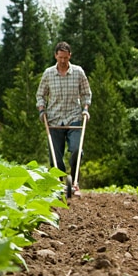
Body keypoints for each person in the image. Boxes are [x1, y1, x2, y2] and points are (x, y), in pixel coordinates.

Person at [36, 41, 92, 196]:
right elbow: (40, 95)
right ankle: (59, 184)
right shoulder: (48, 74)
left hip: (74, 117)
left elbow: (86, 93)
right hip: (53, 119)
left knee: (76, 150)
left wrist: (85, 109)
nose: (62, 61)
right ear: (55, 56)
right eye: (60, 57)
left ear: (70, 56)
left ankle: (75, 183)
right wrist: (42, 111)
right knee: (55, 155)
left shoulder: (78, 72)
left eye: (65, 58)